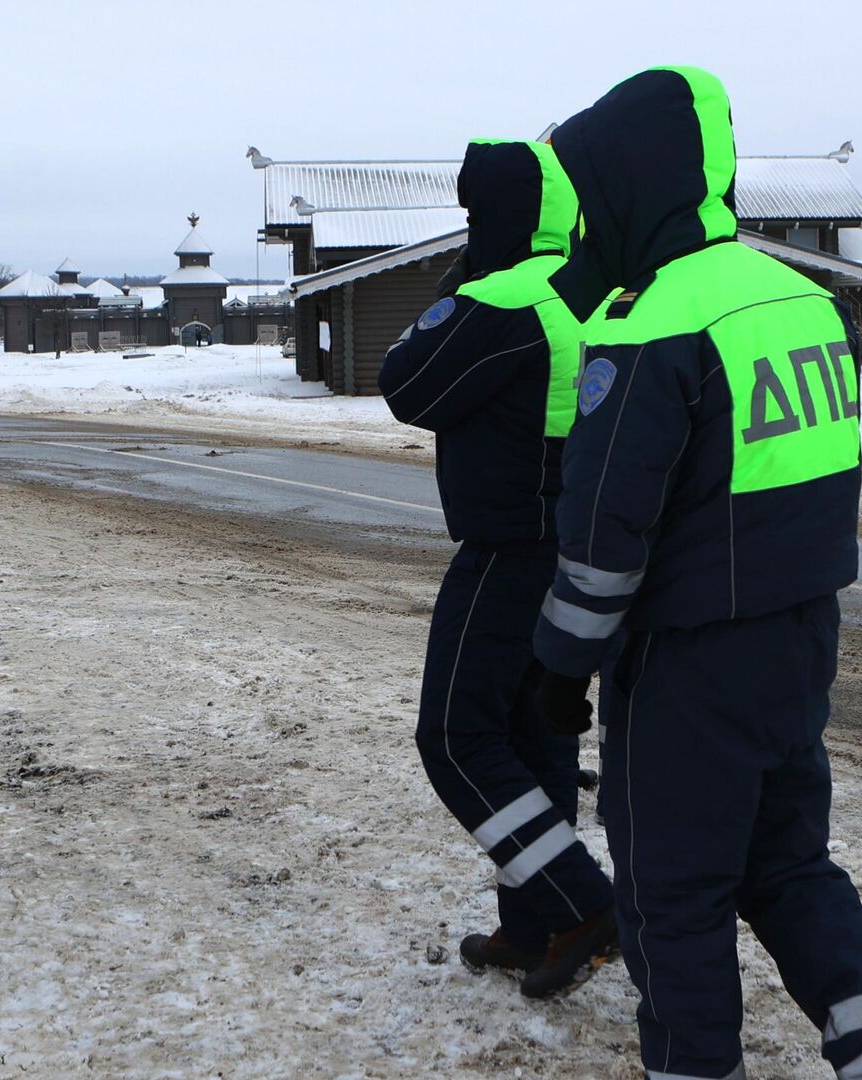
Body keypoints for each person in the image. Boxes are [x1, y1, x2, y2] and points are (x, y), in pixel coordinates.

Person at [534, 66, 862, 1079]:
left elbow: (604, 533)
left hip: (689, 671)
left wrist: (554, 672)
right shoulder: (801, 302)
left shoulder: (651, 321)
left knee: (673, 900)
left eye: (589, 195)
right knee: (790, 864)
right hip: (800, 647)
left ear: (628, 184)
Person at [379, 137, 618, 1000]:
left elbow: (406, 382)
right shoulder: (587, 290)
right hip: (578, 551)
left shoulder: (504, 298)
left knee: (453, 735)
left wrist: (461, 281)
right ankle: (535, 926)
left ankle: (584, 903)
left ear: (495, 216)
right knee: (537, 739)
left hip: (506, 553)